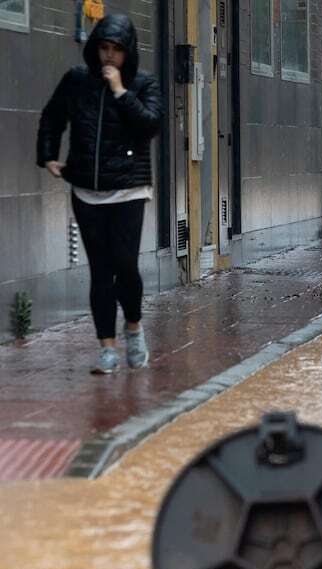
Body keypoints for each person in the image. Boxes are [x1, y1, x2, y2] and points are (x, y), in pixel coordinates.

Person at [37, 14, 163, 374]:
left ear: (129, 53)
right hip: (86, 190)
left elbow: (150, 125)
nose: (109, 57)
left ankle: (134, 329)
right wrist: (48, 155)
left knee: (125, 265)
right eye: (104, 48)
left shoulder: (143, 83)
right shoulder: (77, 81)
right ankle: (106, 348)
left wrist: (121, 92)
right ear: (95, 48)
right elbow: (52, 116)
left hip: (128, 190)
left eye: (117, 51)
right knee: (100, 271)